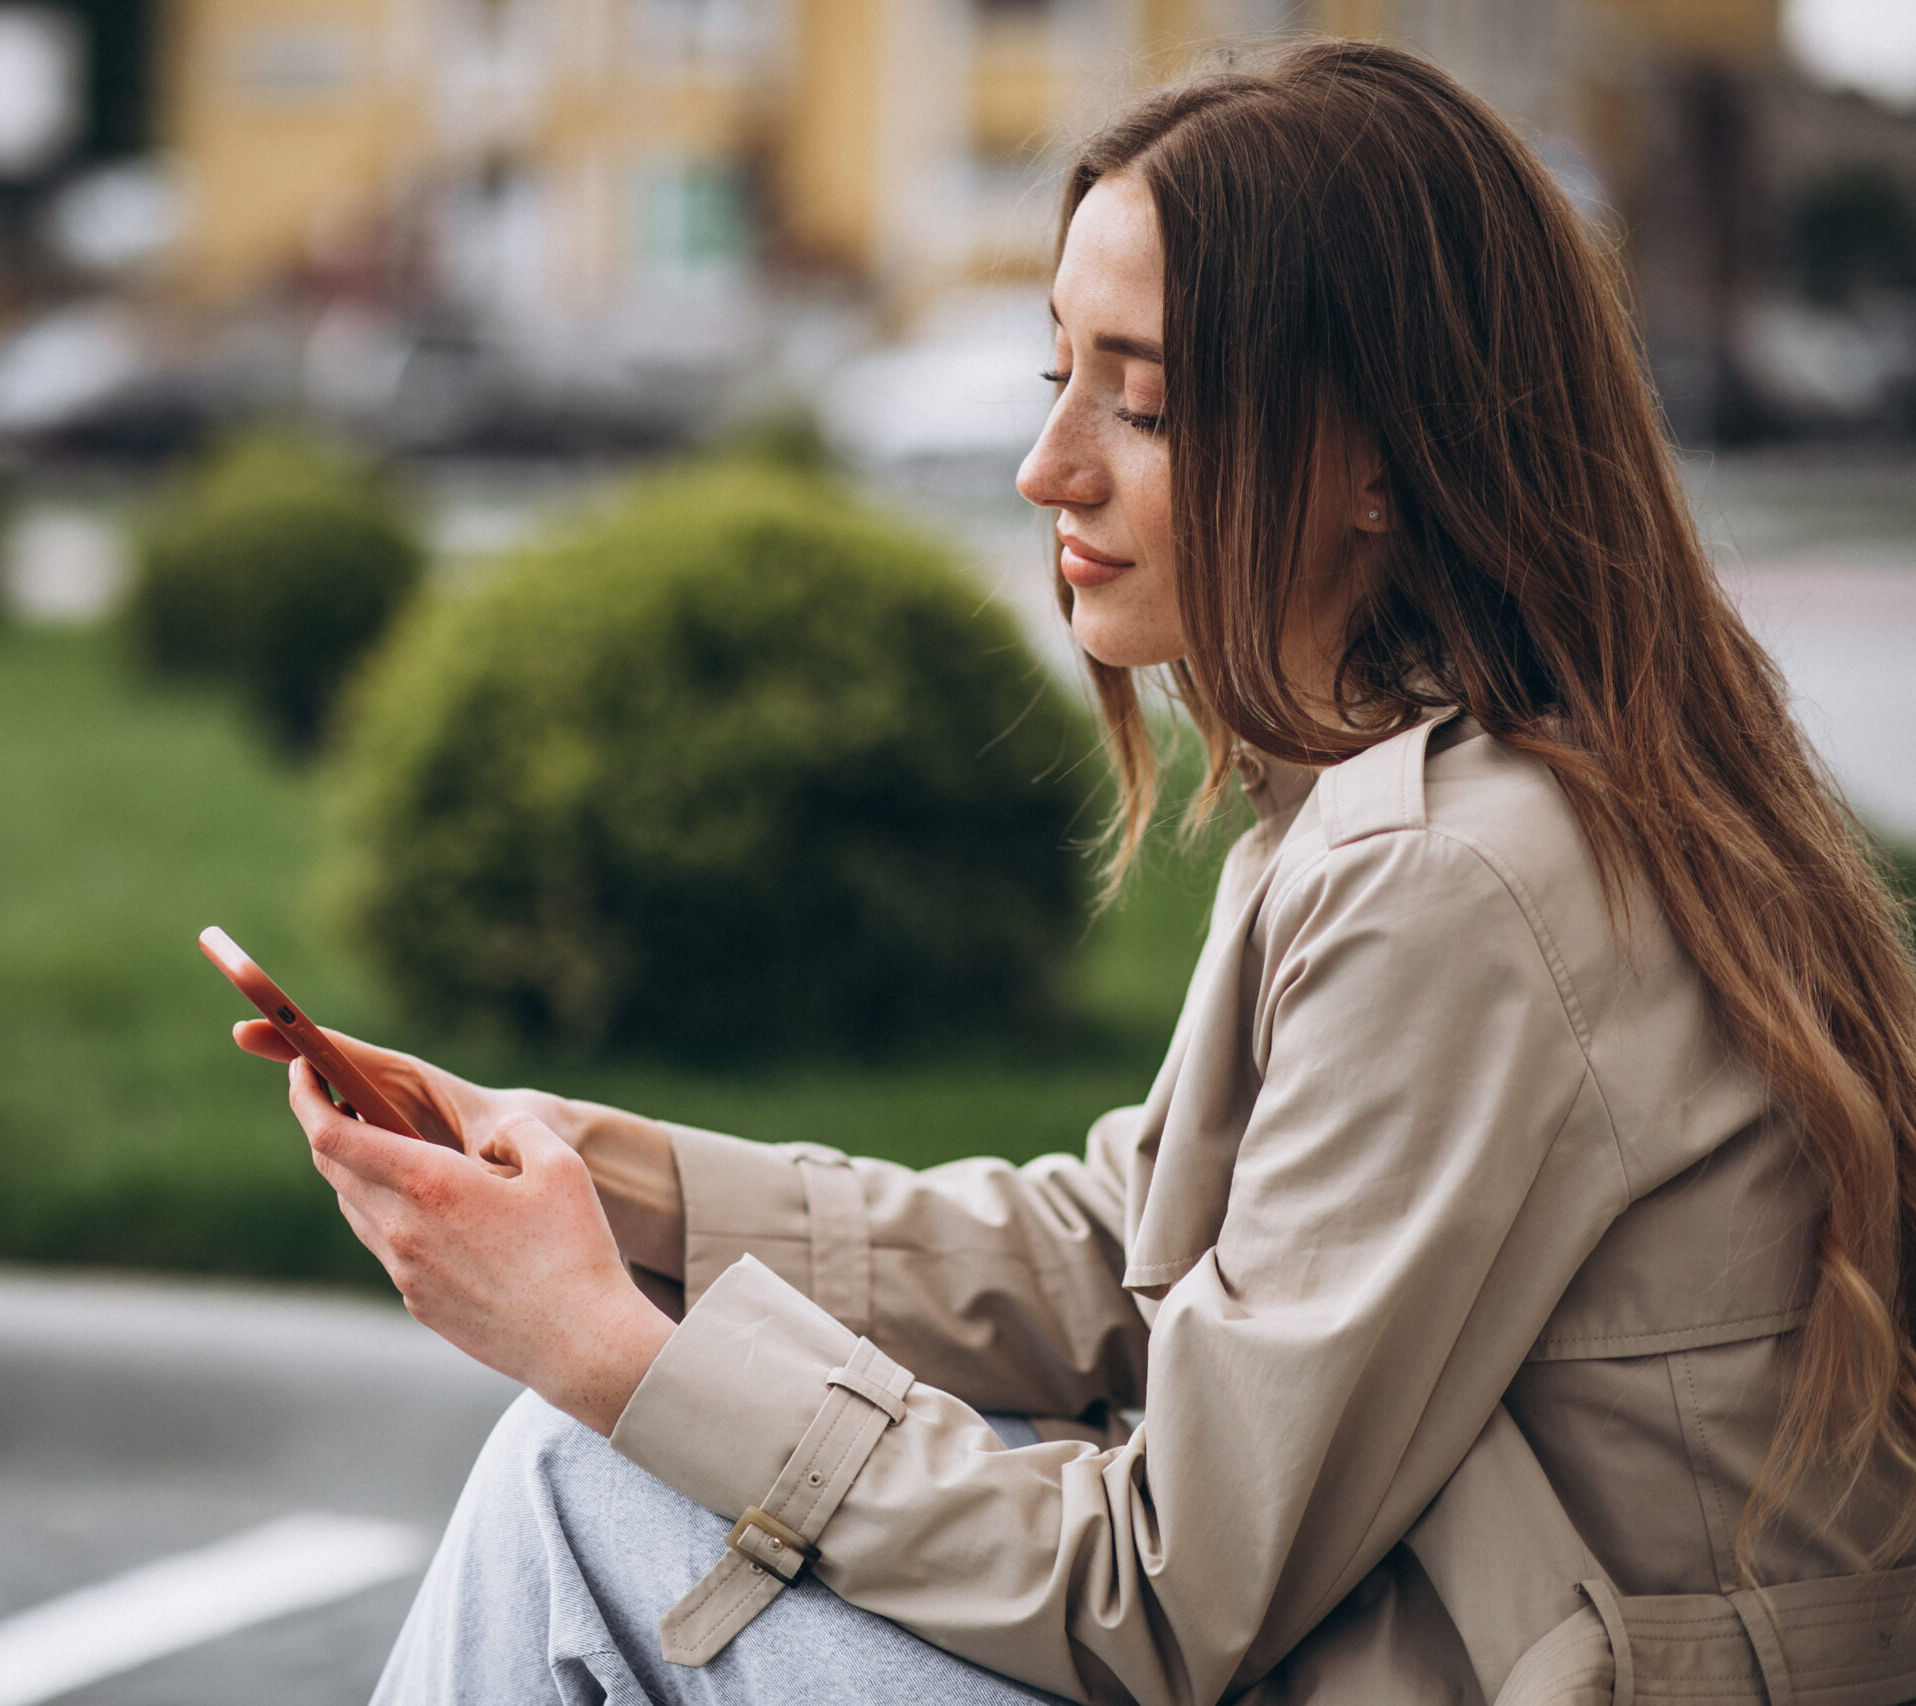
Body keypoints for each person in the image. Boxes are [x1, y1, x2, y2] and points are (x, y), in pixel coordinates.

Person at [234, 40, 1916, 1705]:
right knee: (599, 1470)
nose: (1053, 467)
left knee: (579, 1484)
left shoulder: (1463, 877)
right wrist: (607, 1178)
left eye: (1152, 402)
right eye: (1061, 375)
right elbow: (1124, 1248)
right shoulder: (1442, 790)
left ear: (1389, 461)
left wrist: (615, 1353)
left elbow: (1160, 1591)